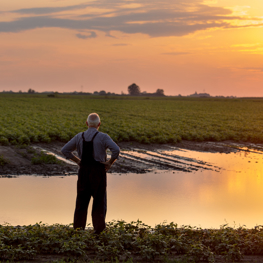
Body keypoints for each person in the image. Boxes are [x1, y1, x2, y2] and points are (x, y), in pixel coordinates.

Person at [61, 113, 120, 234]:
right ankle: (98, 231)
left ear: (87, 123)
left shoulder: (79, 136)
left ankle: (78, 230)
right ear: (99, 124)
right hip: (98, 172)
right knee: (99, 201)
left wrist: (78, 161)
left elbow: (65, 150)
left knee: (81, 201)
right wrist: (110, 163)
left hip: (83, 171)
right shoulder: (103, 137)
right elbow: (116, 150)